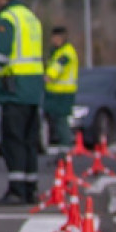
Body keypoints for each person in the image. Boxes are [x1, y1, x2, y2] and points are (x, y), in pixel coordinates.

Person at [0, 0, 45, 206]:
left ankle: (16, 189)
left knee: (13, 140)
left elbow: (1, 55)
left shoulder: (8, 18)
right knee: (30, 140)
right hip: (33, 87)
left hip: (14, 86)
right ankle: (31, 188)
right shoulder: (31, 17)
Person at [43, 26, 78, 154]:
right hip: (55, 92)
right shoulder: (57, 52)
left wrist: (49, 76)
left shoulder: (66, 52)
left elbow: (58, 66)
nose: (54, 40)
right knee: (57, 123)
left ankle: (65, 153)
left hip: (63, 93)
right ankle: (62, 152)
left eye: (56, 38)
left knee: (62, 122)